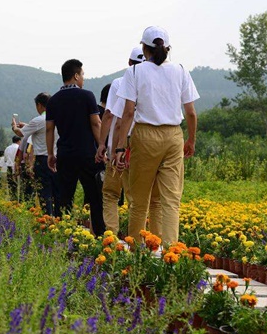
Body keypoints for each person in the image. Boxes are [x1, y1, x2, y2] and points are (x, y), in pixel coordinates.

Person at [114, 26, 199, 246]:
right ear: (167, 48)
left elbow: (129, 112)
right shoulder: (180, 70)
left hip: (145, 136)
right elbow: (190, 112)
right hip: (173, 136)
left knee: (140, 200)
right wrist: (191, 140)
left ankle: (137, 251)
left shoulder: (134, 72)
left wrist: (121, 147)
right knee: (170, 200)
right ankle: (171, 251)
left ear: (144, 47)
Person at [95, 47, 162, 237]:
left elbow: (110, 116)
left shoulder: (119, 82)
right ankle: (142, 238)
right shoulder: (155, 81)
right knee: (138, 197)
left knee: (110, 193)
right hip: (145, 144)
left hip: (120, 142)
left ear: (129, 63)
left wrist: (104, 144)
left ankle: (111, 235)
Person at [46, 59, 105, 236]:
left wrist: (51, 154)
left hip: (65, 154)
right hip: (88, 154)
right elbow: (96, 124)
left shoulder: (53, 100)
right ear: (76, 75)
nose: (83, 79)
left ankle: (63, 234)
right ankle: (100, 235)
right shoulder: (87, 96)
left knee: (65, 197)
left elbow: (49, 128)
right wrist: (101, 146)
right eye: (83, 75)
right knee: (95, 197)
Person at [12, 92, 60, 216]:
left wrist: (14, 126)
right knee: (57, 193)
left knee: (45, 194)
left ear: (39, 105)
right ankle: (59, 220)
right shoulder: (58, 118)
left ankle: (47, 221)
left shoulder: (38, 120)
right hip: (57, 159)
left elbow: (20, 133)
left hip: (43, 160)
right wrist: (28, 126)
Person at [4, 135, 22, 201]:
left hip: (9, 167)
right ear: (19, 141)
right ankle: (19, 199)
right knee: (20, 184)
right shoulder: (19, 148)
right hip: (18, 167)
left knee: (10, 184)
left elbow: (5, 159)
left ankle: (12, 199)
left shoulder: (7, 148)